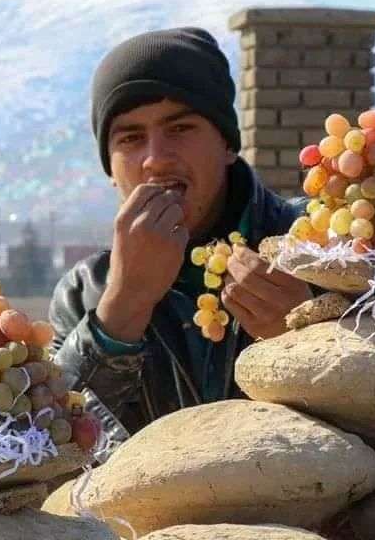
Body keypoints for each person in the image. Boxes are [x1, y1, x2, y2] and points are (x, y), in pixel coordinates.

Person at [50, 27, 313, 448]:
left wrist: (309, 335)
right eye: (131, 138)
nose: (155, 159)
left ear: (227, 144)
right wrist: (122, 308)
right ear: (110, 168)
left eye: (180, 128)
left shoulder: (315, 245)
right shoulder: (85, 293)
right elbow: (50, 444)